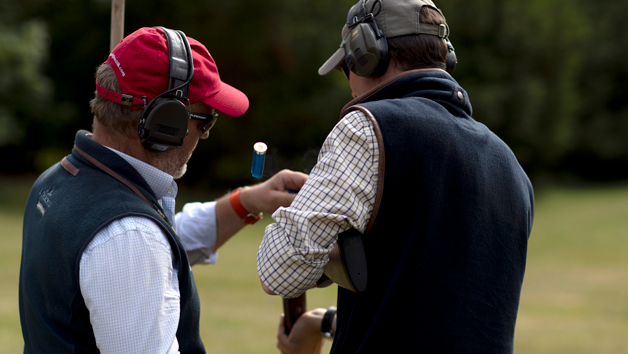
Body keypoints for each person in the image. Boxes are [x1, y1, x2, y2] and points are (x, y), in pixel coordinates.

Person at [256, 0, 534, 353]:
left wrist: (319, 214)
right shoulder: (510, 165)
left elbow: (279, 269)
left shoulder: (365, 128)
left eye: (347, 66)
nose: (351, 82)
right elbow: (434, 315)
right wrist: (324, 322)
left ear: (366, 54)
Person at [19, 27, 307, 353]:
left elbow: (158, 246)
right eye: (206, 120)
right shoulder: (130, 235)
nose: (207, 135)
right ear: (168, 121)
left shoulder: (59, 181)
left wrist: (246, 202)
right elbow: (137, 245)